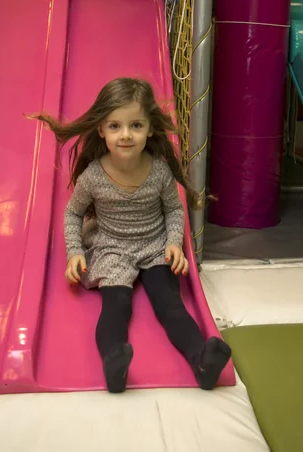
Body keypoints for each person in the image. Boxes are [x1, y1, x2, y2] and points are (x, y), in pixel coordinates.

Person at [31, 77, 231, 394]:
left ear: (150, 129)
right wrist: (75, 251)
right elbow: (72, 212)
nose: (125, 135)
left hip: (154, 248)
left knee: (171, 305)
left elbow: (173, 210)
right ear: (101, 130)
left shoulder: (160, 171)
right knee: (116, 305)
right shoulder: (93, 176)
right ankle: (115, 362)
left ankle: (202, 362)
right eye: (115, 127)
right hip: (111, 248)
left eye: (135, 125)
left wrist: (172, 243)